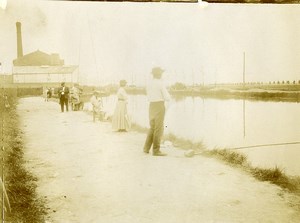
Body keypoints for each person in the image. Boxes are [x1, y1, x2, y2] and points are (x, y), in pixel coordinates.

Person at [143, 67, 171, 156]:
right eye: (161, 73)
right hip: (159, 105)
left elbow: (147, 94)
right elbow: (167, 98)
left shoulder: (148, 84)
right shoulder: (160, 84)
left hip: (151, 106)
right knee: (158, 128)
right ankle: (156, 150)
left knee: (152, 127)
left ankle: (146, 148)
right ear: (159, 74)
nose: (162, 75)